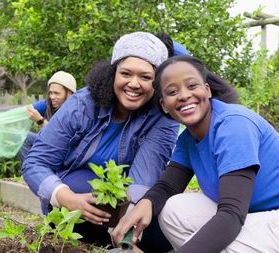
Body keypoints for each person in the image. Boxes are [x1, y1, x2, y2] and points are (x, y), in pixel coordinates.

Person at [111, 56, 279, 253]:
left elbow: (230, 216)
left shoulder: (233, 124)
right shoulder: (188, 139)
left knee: (224, 241)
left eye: (192, 85)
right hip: (268, 217)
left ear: (207, 90)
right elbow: (167, 186)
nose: (184, 95)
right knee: (174, 210)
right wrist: (145, 203)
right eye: (172, 91)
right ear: (164, 105)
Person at [22, 32, 188, 252]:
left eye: (146, 77)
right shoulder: (83, 104)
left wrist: (130, 231)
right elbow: (35, 163)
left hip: (128, 196)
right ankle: (95, 240)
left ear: (157, 82)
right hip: (77, 193)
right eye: (126, 73)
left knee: (160, 233)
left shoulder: (162, 116)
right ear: (112, 74)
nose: (134, 84)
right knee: (84, 198)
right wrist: (68, 198)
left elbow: (143, 178)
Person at [17, 71, 77, 161]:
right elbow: (24, 111)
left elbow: (60, 138)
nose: (52, 97)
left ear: (69, 93)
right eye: (51, 93)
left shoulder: (76, 112)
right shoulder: (49, 104)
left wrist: (40, 120)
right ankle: (31, 170)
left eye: (56, 93)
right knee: (22, 137)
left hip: (68, 153)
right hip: (50, 148)